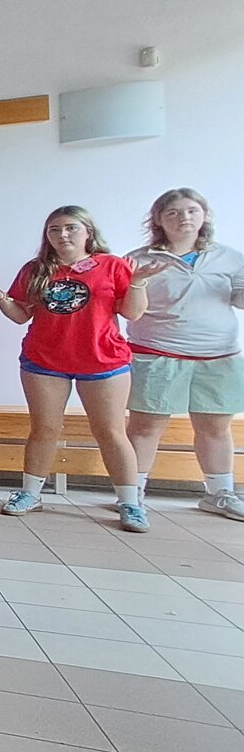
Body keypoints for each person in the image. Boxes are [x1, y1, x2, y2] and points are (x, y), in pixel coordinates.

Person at [0, 207, 160, 529]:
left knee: (110, 432)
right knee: (44, 429)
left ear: (88, 232)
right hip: (44, 361)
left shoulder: (111, 265)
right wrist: (0, 298)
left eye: (70, 228)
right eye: (54, 229)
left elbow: (133, 313)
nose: (62, 235)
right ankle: (30, 493)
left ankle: (130, 502)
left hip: (103, 360)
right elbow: (21, 315)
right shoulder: (36, 269)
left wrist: (138, 283)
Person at [122, 189, 244, 522]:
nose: (184, 218)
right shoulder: (138, 260)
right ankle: (132, 494)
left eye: (191, 211)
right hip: (156, 354)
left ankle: (219, 494)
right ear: (158, 220)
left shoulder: (229, 258)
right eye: (173, 213)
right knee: (145, 426)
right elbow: (126, 308)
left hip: (219, 356)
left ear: (204, 215)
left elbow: (239, 299)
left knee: (215, 427)